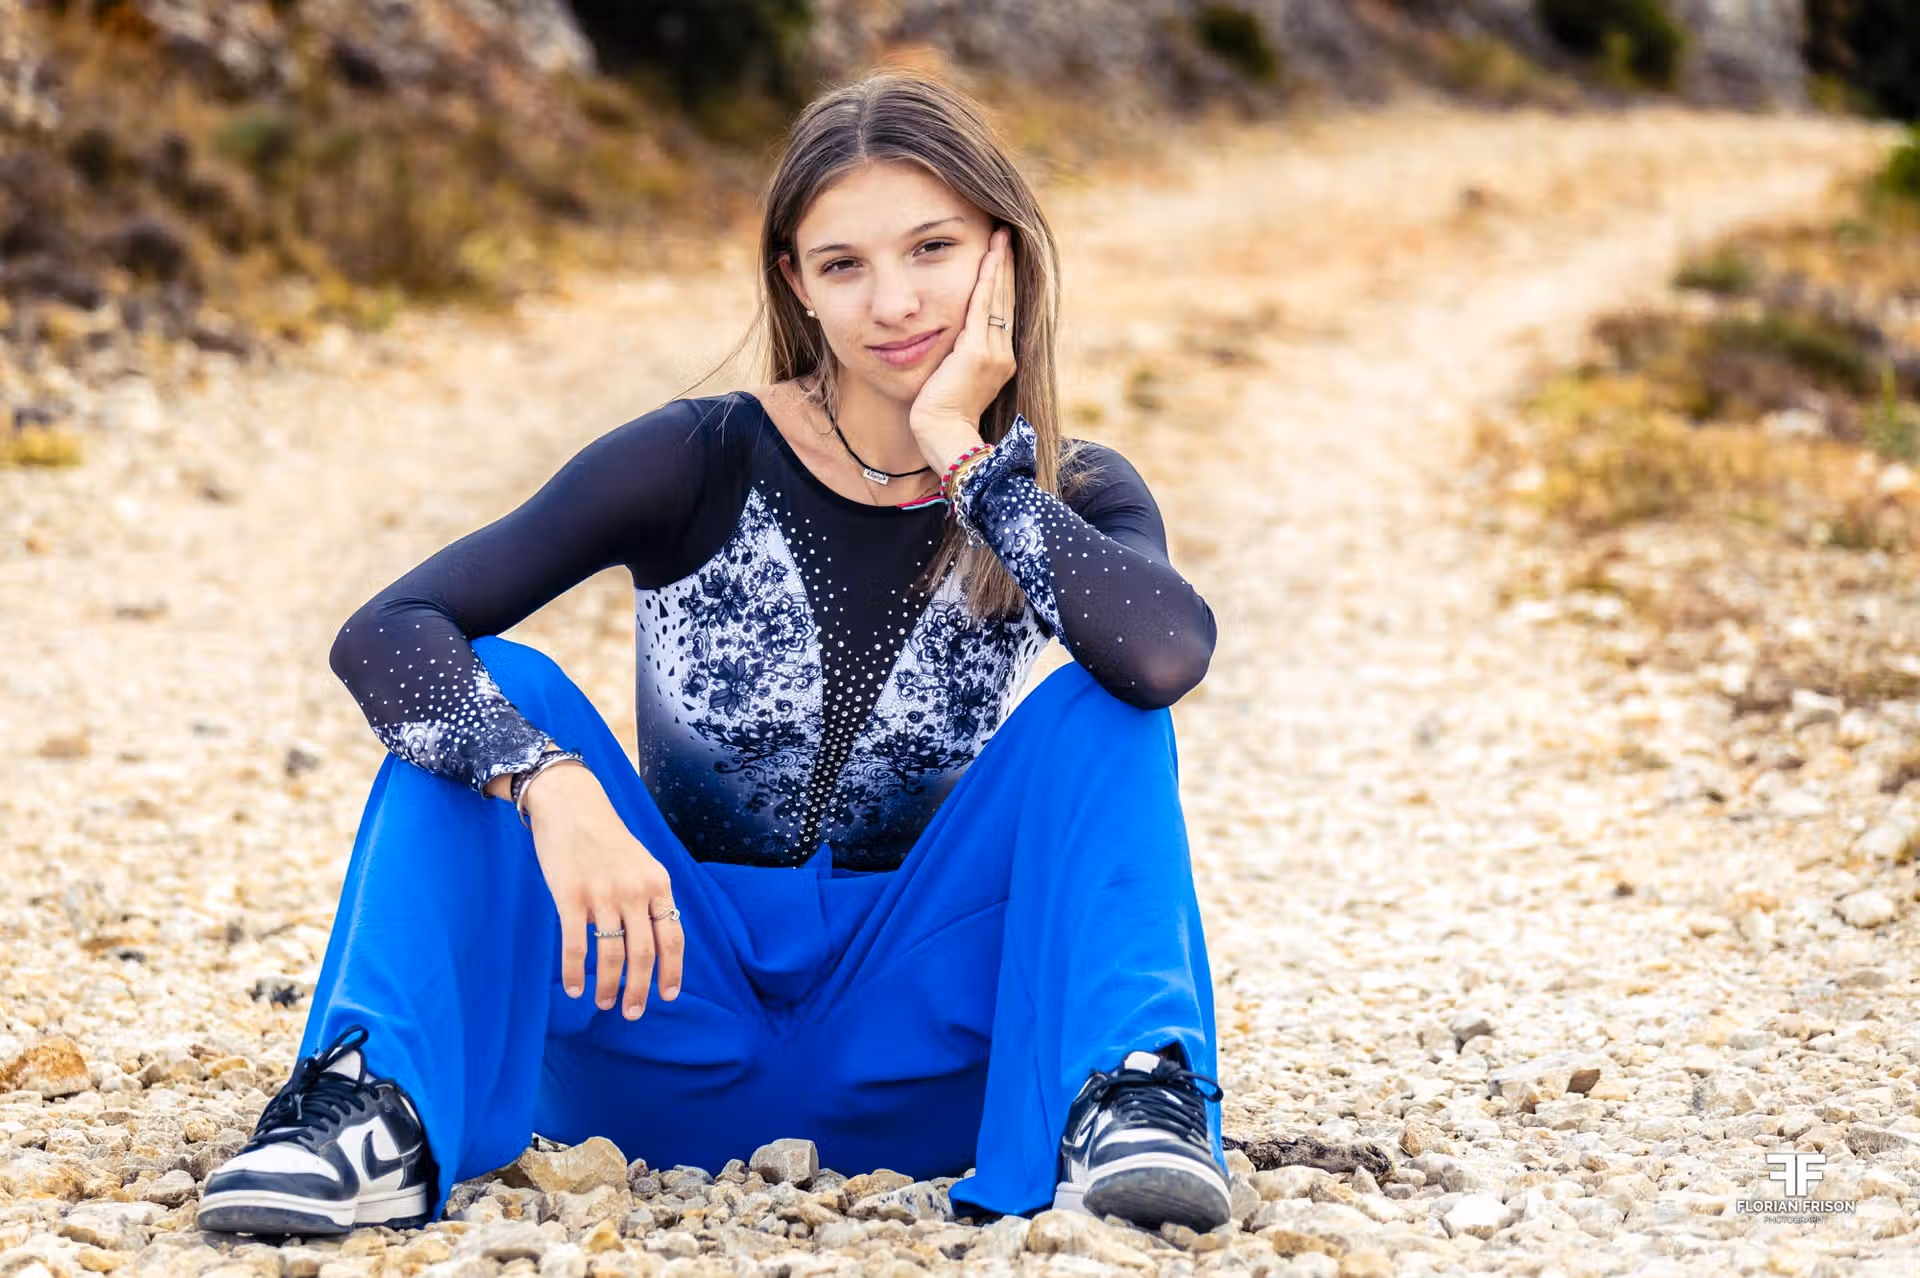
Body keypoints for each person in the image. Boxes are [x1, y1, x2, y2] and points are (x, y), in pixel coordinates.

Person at [197, 67, 1229, 1242]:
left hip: (926, 1060)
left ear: (1006, 253)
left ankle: (1137, 1102)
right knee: (511, 689)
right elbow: (387, 630)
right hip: (660, 1018)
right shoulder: (697, 457)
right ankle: (362, 1115)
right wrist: (548, 781)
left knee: (1102, 714)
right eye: (844, 264)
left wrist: (968, 458)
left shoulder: (1062, 492)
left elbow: (1161, 659)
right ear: (796, 282)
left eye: (933, 248)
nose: (893, 301)